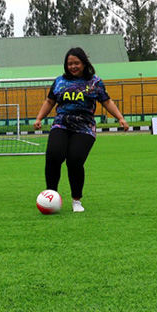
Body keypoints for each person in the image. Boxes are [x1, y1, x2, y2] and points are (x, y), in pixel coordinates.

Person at [33, 48, 129, 212]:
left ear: (84, 63)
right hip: (61, 124)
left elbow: (107, 102)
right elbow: (49, 102)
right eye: (70, 63)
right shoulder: (59, 81)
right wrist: (39, 118)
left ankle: (76, 200)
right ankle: (51, 196)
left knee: (75, 159)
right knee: (54, 155)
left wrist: (120, 118)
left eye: (76, 63)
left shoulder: (95, 82)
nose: (73, 66)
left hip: (84, 127)